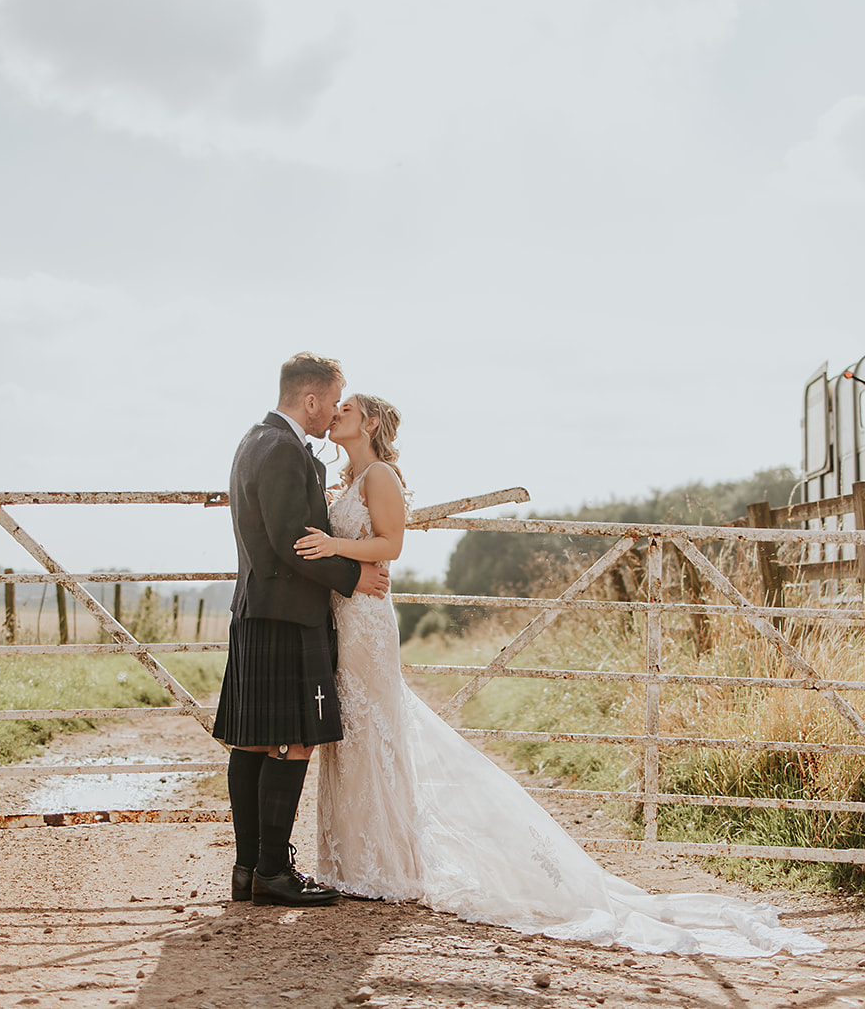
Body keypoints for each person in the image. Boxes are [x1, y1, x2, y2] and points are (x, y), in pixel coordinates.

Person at [295, 394, 825, 956]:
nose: (336, 412)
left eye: (347, 407)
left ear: (371, 421)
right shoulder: (342, 480)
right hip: (342, 617)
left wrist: (334, 545)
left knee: (377, 730)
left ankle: (387, 866)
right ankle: (352, 860)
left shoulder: (380, 475)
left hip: (369, 624)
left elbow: (391, 545)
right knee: (351, 734)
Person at [214, 353, 391, 908]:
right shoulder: (285, 451)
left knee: (254, 740)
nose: (333, 412)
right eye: (331, 402)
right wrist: (353, 576)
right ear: (309, 400)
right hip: (288, 612)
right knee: (296, 740)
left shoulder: (254, 441)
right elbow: (296, 541)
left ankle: (250, 870)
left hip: (259, 610)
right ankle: (272, 870)